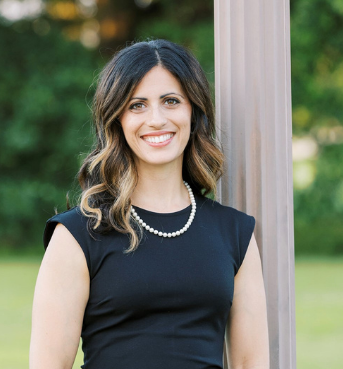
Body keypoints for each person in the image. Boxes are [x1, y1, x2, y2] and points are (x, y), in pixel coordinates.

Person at [29, 39, 269, 369]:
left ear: (193, 112)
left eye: (171, 101)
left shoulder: (235, 233)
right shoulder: (78, 235)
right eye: (137, 105)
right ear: (117, 120)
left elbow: (250, 363)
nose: (156, 119)